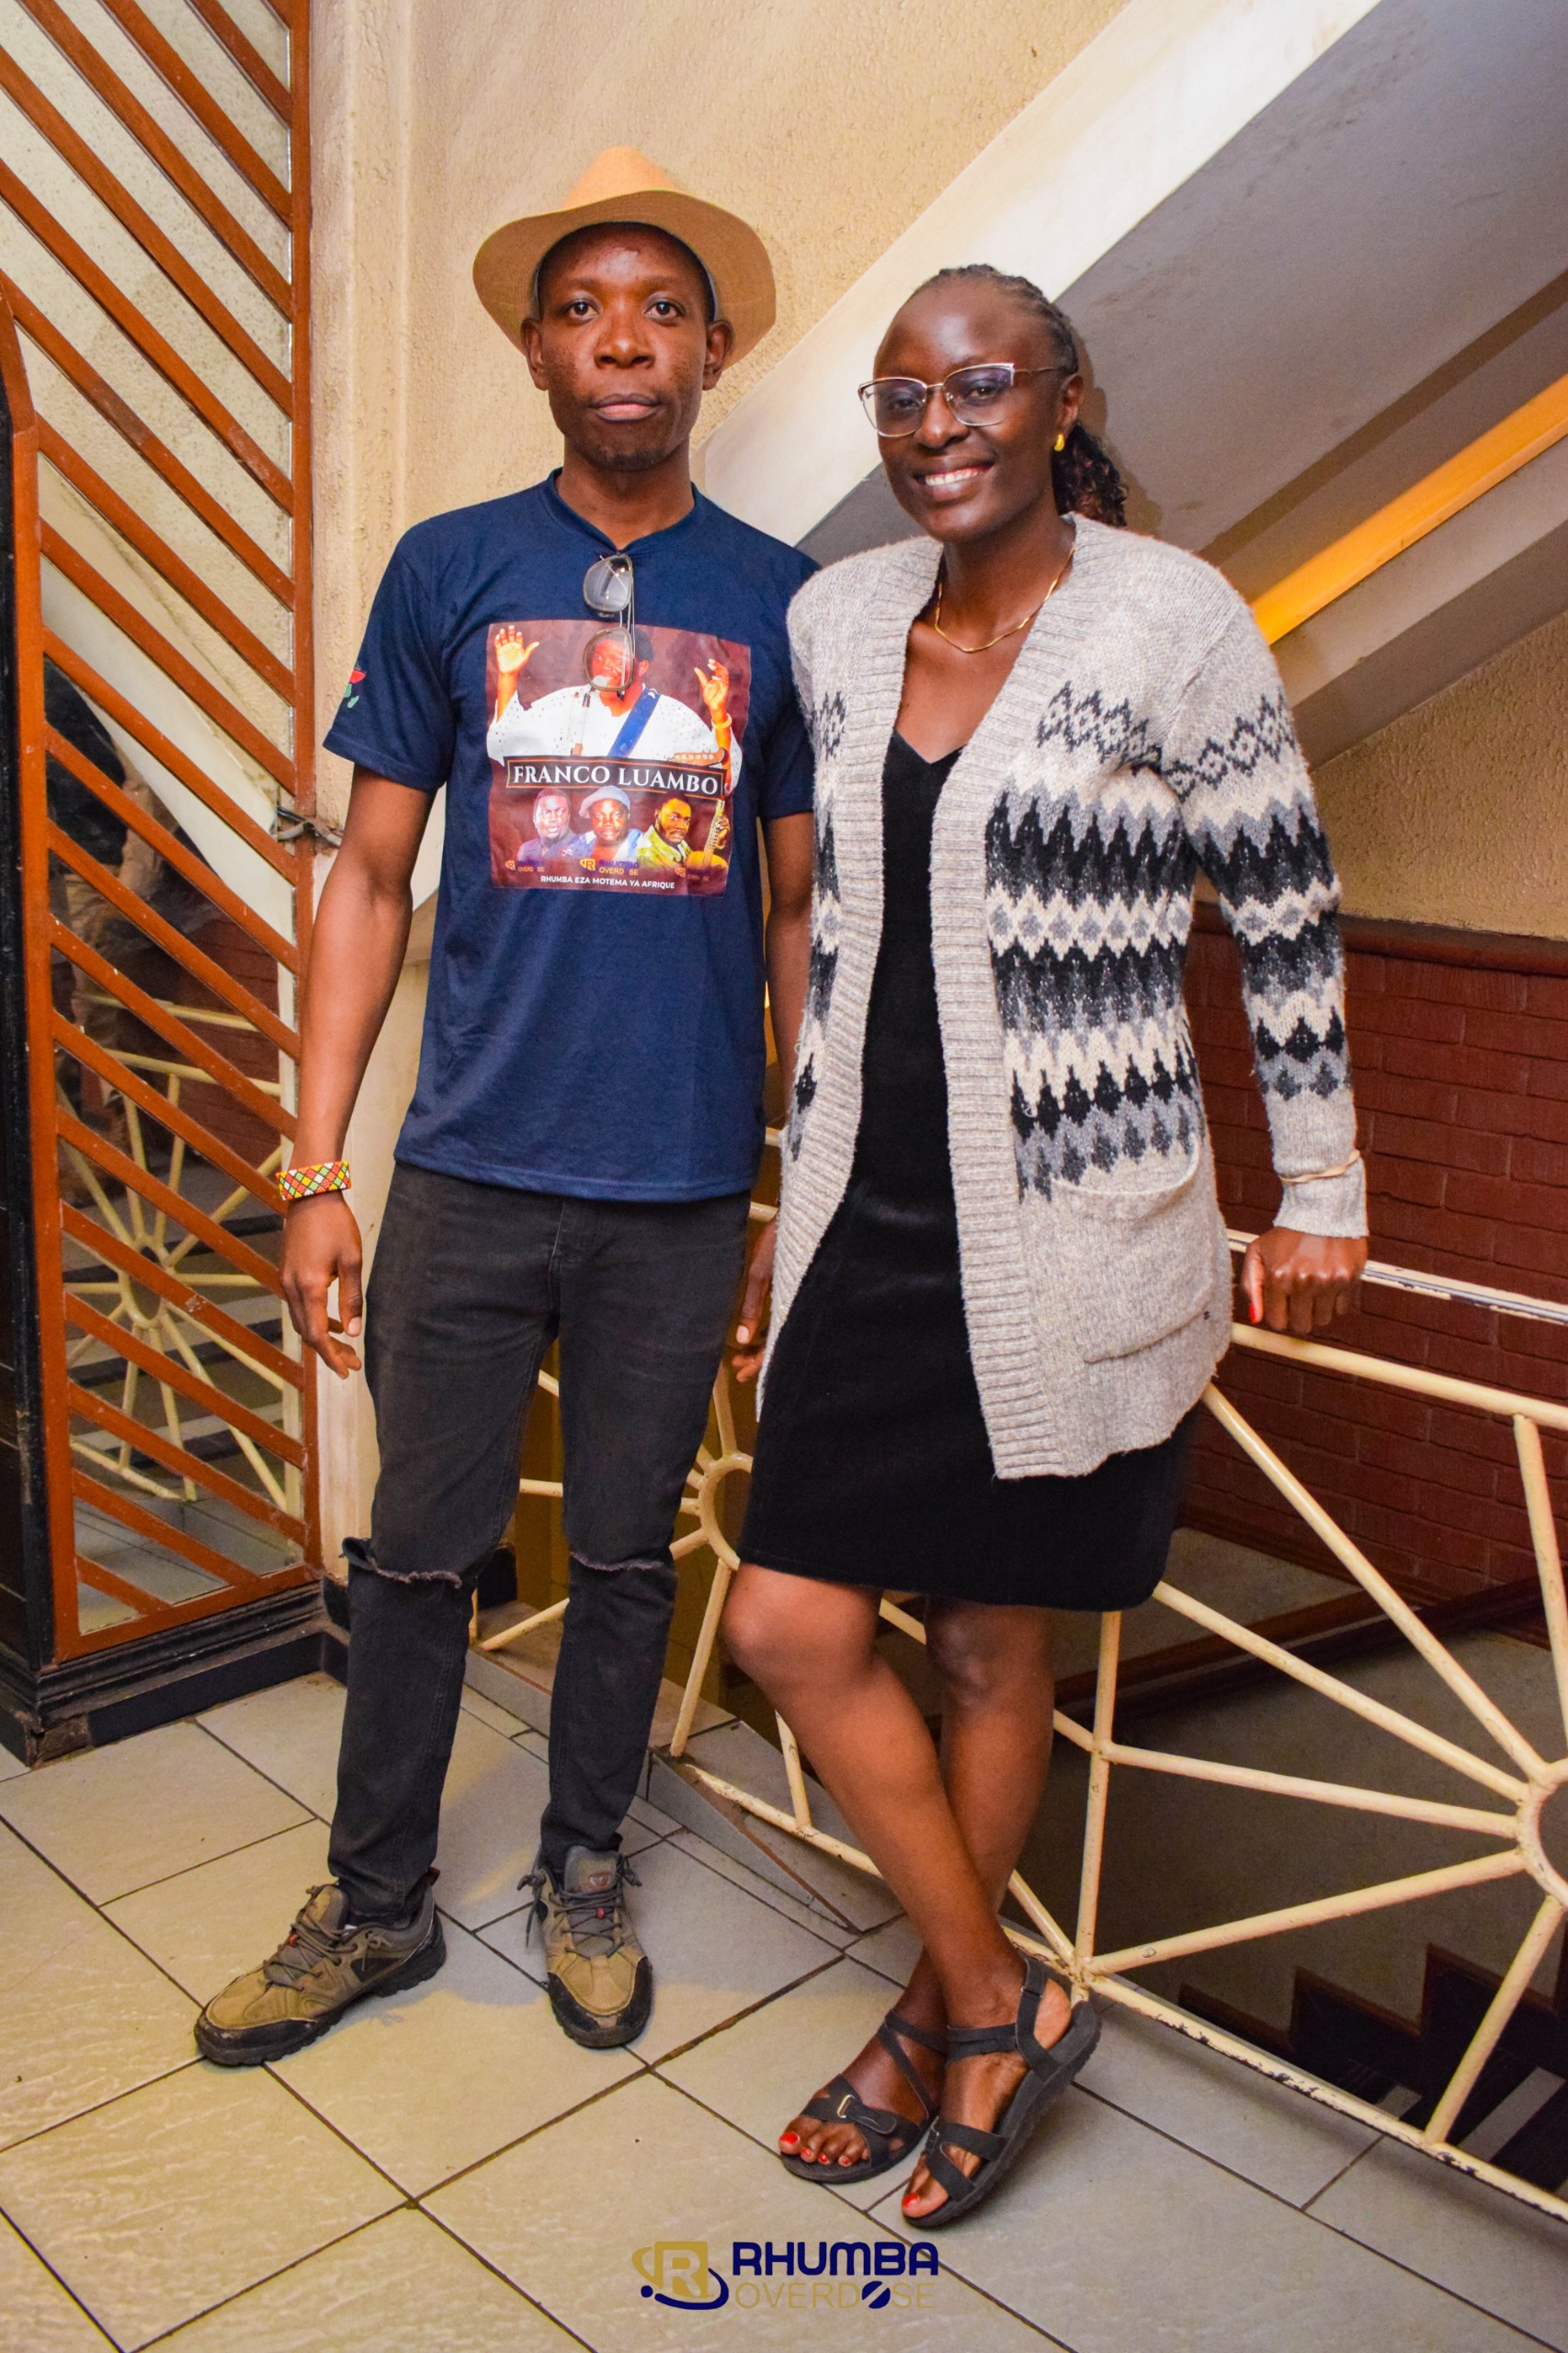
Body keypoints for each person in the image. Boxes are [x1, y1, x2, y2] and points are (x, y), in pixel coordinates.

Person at [722, 265, 1367, 2228]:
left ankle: (938, 2021)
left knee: (996, 1639)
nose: (937, 426)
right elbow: (828, 931)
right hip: (864, 1210)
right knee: (790, 1621)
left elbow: (1285, 915)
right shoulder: (836, 619)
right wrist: (779, 1199)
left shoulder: (1172, 618)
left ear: (1063, 397)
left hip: (1075, 1228)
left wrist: (1322, 1190)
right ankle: (1005, 1993)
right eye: (901, 395)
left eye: (981, 383)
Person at [194, 148, 814, 2065]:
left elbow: (798, 916)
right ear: (536, 354)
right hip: (464, 1170)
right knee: (413, 1557)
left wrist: (787, 1188)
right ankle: (375, 1902)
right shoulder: (449, 567)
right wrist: (314, 1166)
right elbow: (369, 878)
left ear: (711, 350)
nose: (622, 338)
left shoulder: (780, 599)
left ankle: (585, 1864)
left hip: (676, 1187)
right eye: (582, 309)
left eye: (659, 309)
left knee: (624, 1558)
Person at [576, 783, 642, 866]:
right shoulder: (581, 843)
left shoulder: (644, 846)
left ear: (628, 815)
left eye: (616, 814)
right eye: (598, 816)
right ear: (591, 818)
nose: (608, 822)